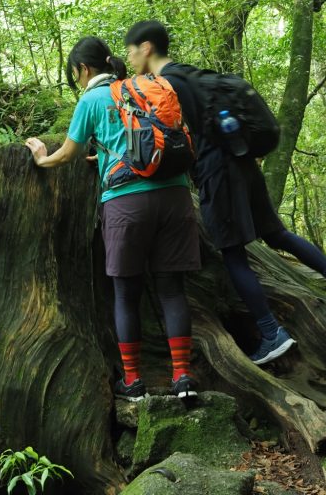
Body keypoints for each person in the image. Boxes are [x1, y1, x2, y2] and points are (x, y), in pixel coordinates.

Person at [124, 20, 326, 366]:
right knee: (277, 233)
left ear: (146, 48)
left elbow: (171, 138)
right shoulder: (194, 74)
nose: (130, 57)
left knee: (233, 254)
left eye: (132, 50)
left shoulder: (165, 85)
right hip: (242, 163)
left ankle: (271, 333)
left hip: (215, 173)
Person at [25, 36, 201, 400]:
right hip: (175, 196)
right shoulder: (143, 87)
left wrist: (43, 157)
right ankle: (183, 378)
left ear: (83, 70)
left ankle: (133, 382)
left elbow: (67, 154)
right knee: (171, 289)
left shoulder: (91, 99)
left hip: (125, 204)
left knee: (126, 293)